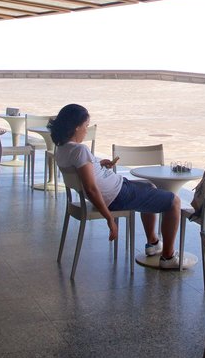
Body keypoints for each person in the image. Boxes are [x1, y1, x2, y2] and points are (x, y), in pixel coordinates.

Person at [50, 103, 181, 269]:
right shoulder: (79, 150)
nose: (86, 130)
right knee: (174, 202)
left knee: (149, 185)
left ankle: (153, 242)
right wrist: (110, 219)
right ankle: (168, 258)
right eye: (86, 126)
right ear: (76, 127)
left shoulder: (62, 149)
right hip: (117, 195)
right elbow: (91, 189)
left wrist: (98, 163)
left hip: (117, 189)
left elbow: (84, 172)